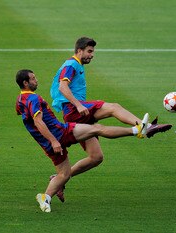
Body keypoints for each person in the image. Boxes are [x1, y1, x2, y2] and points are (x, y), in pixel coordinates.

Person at [50, 37, 172, 200]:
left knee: (96, 158)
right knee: (113, 107)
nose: (92, 55)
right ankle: (145, 127)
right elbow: (62, 86)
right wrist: (78, 105)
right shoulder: (71, 64)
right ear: (79, 50)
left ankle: (58, 181)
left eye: (93, 52)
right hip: (75, 110)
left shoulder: (77, 65)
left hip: (77, 114)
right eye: (89, 51)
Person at [15, 69, 150, 212]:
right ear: (26, 82)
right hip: (60, 133)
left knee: (64, 174)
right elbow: (38, 122)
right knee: (97, 129)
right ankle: (137, 130)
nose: (37, 80)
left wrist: (49, 141)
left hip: (47, 142)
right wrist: (54, 141)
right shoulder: (33, 99)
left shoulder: (20, 100)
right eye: (33, 79)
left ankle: (45, 197)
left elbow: (23, 115)